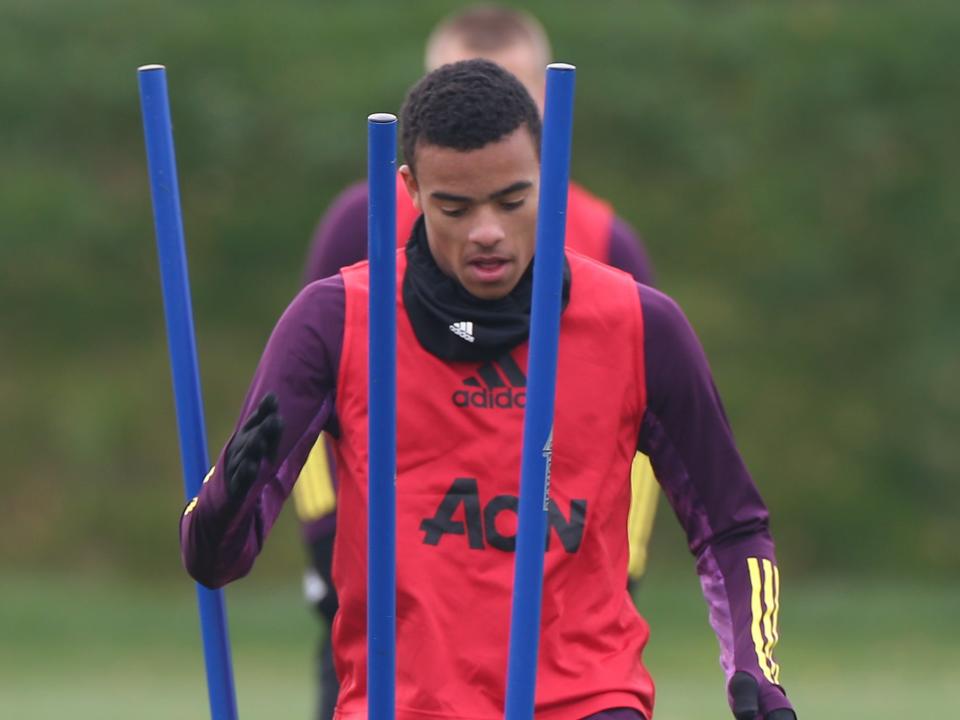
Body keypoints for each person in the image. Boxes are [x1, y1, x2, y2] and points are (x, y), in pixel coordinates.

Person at [180, 59, 796, 720]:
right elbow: (215, 562)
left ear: (551, 176)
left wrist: (756, 669)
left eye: (512, 200)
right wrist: (227, 502)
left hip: (588, 701)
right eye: (455, 206)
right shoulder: (335, 320)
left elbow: (732, 526)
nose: (488, 232)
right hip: (401, 705)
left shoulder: (640, 323)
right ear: (411, 190)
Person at [292, 8, 659, 716]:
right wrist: (325, 539)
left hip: (551, 592)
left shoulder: (604, 237)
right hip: (390, 594)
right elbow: (301, 396)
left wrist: (625, 559)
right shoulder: (361, 221)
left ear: (541, 110)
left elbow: (643, 423)